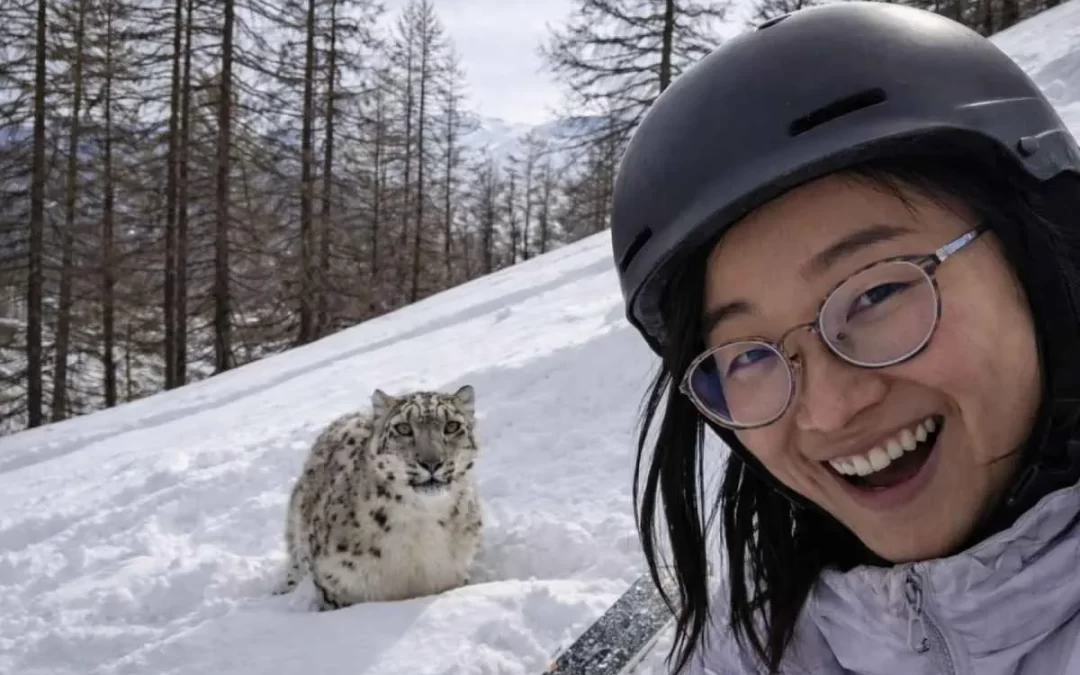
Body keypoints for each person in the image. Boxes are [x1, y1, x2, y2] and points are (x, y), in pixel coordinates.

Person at [610, 3, 1080, 674]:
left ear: (1045, 259)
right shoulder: (757, 645)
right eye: (747, 354)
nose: (829, 408)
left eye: (878, 293)